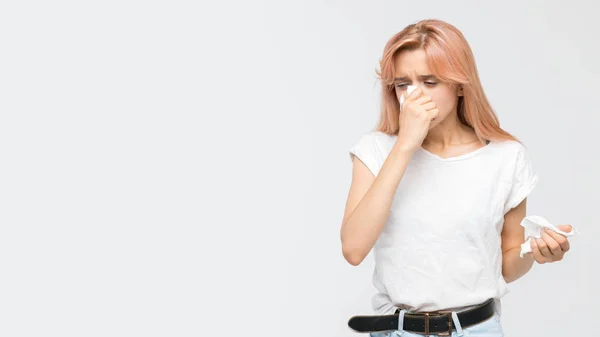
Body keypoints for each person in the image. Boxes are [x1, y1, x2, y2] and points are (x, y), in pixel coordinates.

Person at [341, 19, 573, 337]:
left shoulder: (506, 156)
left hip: (478, 329)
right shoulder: (376, 149)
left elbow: (505, 266)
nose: (413, 97)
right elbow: (353, 248)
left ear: (460, 85)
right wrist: (405, 145)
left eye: (430, 81)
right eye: (402, 84)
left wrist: (534, 251)